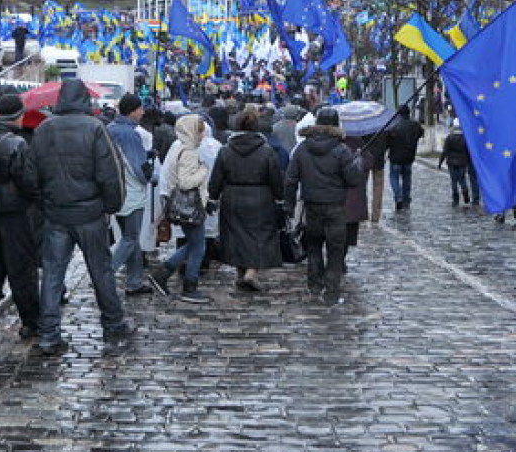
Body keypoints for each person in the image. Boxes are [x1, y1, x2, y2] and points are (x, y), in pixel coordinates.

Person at [30, 78, 132, 353]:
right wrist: (112, 206)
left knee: (52, 274)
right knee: (101, 270)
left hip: (57, 213)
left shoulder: (44, 130)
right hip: (89, 212)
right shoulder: (95, 128)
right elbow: (110, 174)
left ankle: (49, 333)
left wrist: (45, 203)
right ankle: (112, 322)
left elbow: (32, 176)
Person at [284, 106, 364, 306]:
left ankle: (314, 286)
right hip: (336, 208)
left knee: (313, 247)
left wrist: (289, 204)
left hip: (312, 208)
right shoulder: (341, 150)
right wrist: (358, 162)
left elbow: (291, 179)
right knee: (335, 251)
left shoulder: (303, 148)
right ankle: (331, 292)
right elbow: (354, 179)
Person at [0, 93, 43, 336]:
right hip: (15, 211)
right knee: (22, 269)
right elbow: (28, 182)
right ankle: (31, 320)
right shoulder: (17, 144)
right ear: (18, 116)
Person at [209, 108, 284, 293]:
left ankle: (241, 272)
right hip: (260, 197)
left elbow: (216, 176)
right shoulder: (266, 151)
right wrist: (280, 198)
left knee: (236, 236)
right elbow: (275, 176)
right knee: (259, 236)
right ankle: (251, 272)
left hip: (233, 196)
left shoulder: (226, 150)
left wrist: (213, 196)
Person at [149, 114, 212, 304]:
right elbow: (185, 182)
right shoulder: (189, 151)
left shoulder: (178, 146)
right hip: (189, 204)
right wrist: (204, 170)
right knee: (198, 246)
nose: (202, 135)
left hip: (177, 202)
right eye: (200, 130)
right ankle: (188, 286)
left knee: (194, 243)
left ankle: (163, 273)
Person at [108, 93, 155, 296]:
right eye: (140, 109)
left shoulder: (109, 129)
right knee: (130, 238)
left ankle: (134, 281)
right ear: (133, 111)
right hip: (132, 191)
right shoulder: (131, 133)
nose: (143, 112)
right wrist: (151, 176)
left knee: (132, 238)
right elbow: (138, 167)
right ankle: (105, 274)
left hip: (115, 190)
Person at [385, 105, 424, 212]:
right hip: (409, 157)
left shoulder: (393, 126)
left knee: (394, 178)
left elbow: (387, 142)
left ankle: (398, 197)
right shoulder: (415, 125)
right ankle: (406, 199)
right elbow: (421, 133)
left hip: (395, 158)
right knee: (407, 179)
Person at [437, 118, 472, 207]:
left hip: (451, 162)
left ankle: (455, 199)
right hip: (462, 162)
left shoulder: (449, 138)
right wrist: (468, 161)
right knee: (462, 179)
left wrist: (440, 162)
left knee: (454, 181)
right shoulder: (465, 138)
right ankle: (466, 195)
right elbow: (468, 151)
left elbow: (445, 151)